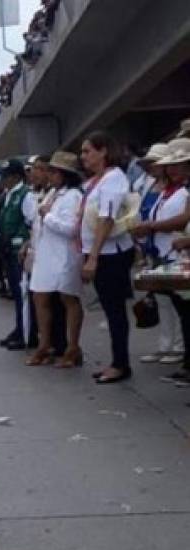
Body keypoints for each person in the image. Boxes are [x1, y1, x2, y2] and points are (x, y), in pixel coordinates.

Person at [130, 138, 190, 378]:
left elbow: (183, 218)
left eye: (178, 164)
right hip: (167, 252)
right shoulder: (171, 189)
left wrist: (153, 227)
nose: (172, 169)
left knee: (183, 309)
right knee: (179, 307)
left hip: (177, 252)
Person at [79, 131, 136, 384]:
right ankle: (117, 360)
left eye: (87, 150)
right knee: (109, 308)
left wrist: (93, 257)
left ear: (103, 151)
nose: (84, 156)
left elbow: (107, 217)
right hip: (98, 250)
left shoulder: (113, 179)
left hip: (110, 253)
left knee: (115, 310)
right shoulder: (95, 181)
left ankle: (120, 363)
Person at [27, 151, 85, 367]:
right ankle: (46, 345)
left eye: (52, 171)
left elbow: (71, 229)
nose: (49, 175)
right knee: (39, 298)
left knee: (69, 299)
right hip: (45, 253)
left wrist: (47, 216)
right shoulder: (52, 193)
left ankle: (73, 347)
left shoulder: (74, 196)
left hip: (64, 254)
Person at [0, 160, 38, 350]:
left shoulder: (26, 195)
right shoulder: (8, 195)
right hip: (8, 249)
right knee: (16, 292)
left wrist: (25, 245)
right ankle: (20, 327)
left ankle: (26, 334)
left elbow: (31, 222)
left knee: (23, 293)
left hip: (20, 251)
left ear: (15, 177)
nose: (2, 180)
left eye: (5, 176)